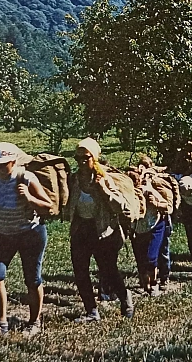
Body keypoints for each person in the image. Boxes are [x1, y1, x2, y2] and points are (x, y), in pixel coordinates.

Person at [0, 142, 53, 337]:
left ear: (13, 161)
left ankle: (34, 322)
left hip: (30, 233)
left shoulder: (26, 178)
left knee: (32, 278)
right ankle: (1, 322)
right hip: (2, 233)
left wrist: (29, 198)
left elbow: (49, 207)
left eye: (3, 164)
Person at [67, 137, 134, 322]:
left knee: (108, 271)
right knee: (80, 271)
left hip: (103, 231)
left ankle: (125, 297)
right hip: (81, 229)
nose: (81, 161)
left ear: (94, 158)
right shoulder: (74, 179)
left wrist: (104, 190)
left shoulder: (104, 178)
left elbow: (120, 206)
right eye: (78, 157)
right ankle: (91, 311)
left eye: (86, 157)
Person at [128, 169, 169, 296]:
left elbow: (166, 206)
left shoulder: (148, 191)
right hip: (137, 230)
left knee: (151, 258)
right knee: (140, 259)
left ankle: (154, 284)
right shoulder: (127, 195)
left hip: (154, 226)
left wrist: (155, 203)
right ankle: (146, 286)